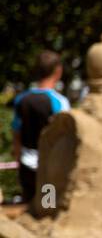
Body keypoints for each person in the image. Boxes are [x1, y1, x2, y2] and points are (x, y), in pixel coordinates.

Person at [11, 51, 70, 203]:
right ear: (58, 71)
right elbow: (65, 137)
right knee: (47, 209)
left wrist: (19, 160)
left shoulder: (21, 99)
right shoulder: (60, 102)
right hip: (49, 169)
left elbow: (16, 133)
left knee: (27, 208)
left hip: (26, 168)